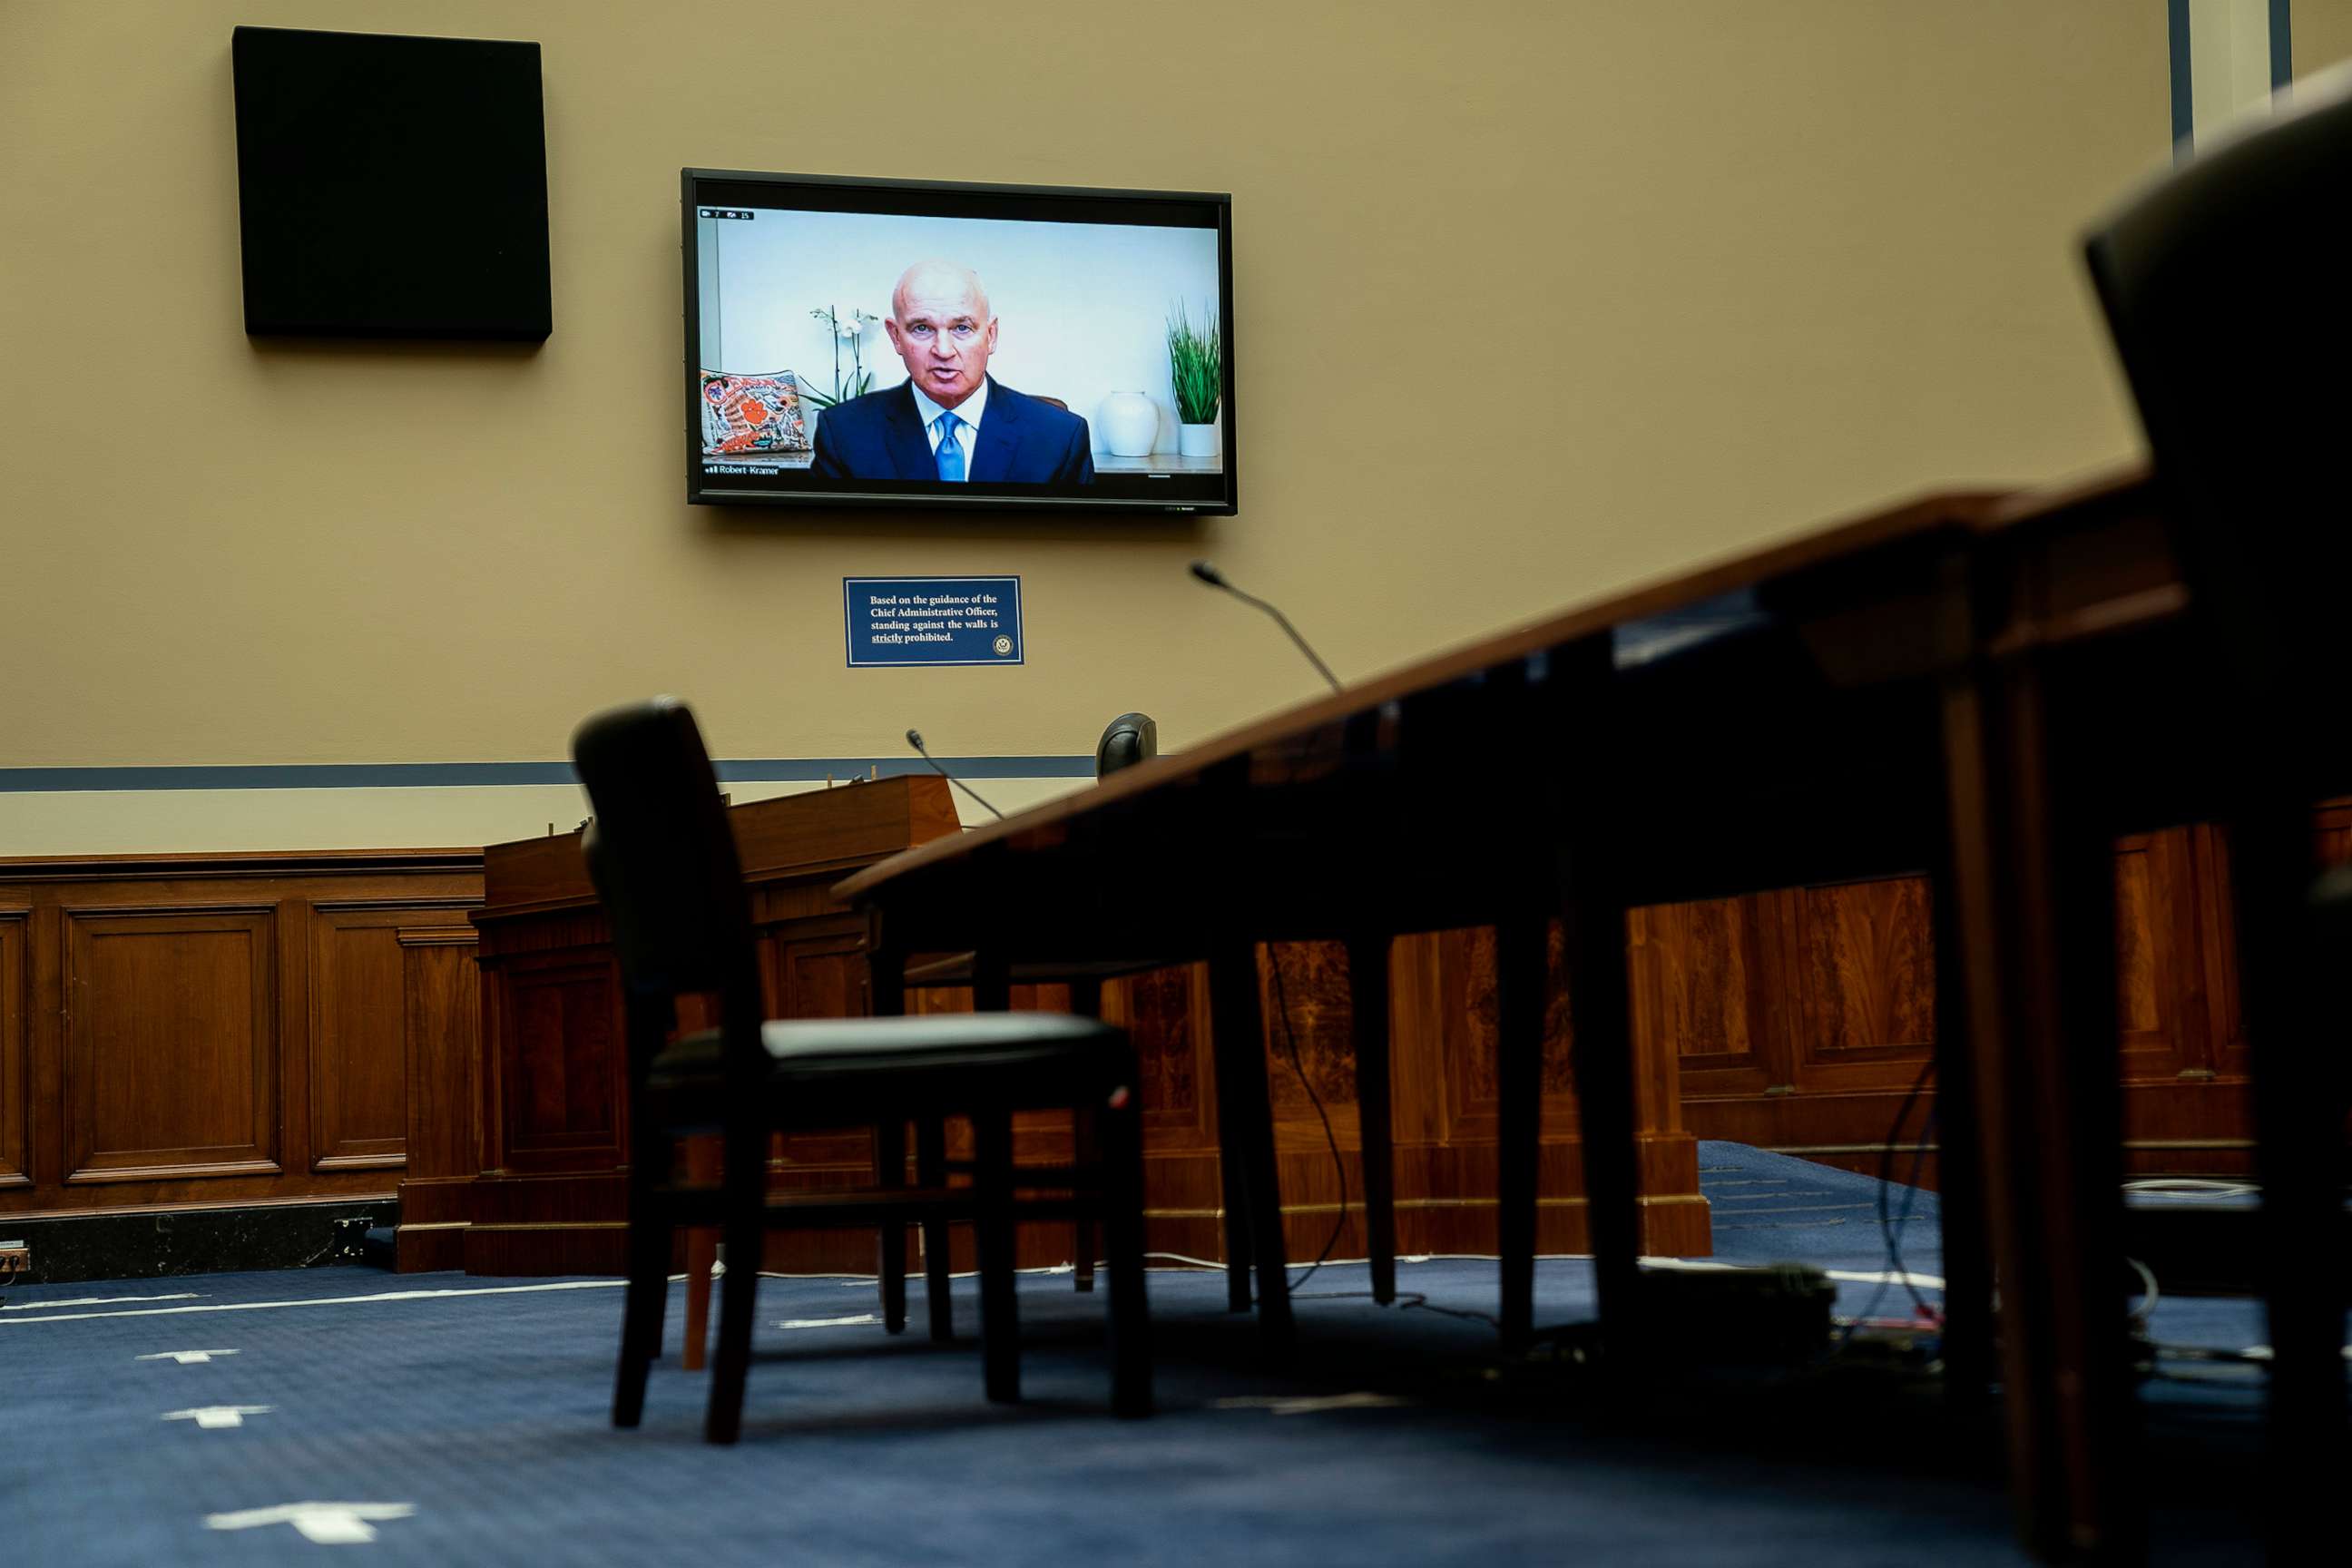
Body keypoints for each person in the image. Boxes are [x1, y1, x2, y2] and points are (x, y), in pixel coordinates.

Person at [811, 260, 1094, 485]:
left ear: (991, 335)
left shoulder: (1060, 437)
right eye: (922, 328)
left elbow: (1072, 552)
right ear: (896, 337)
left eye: (962, 328)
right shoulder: (843, 433)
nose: (944, 351)